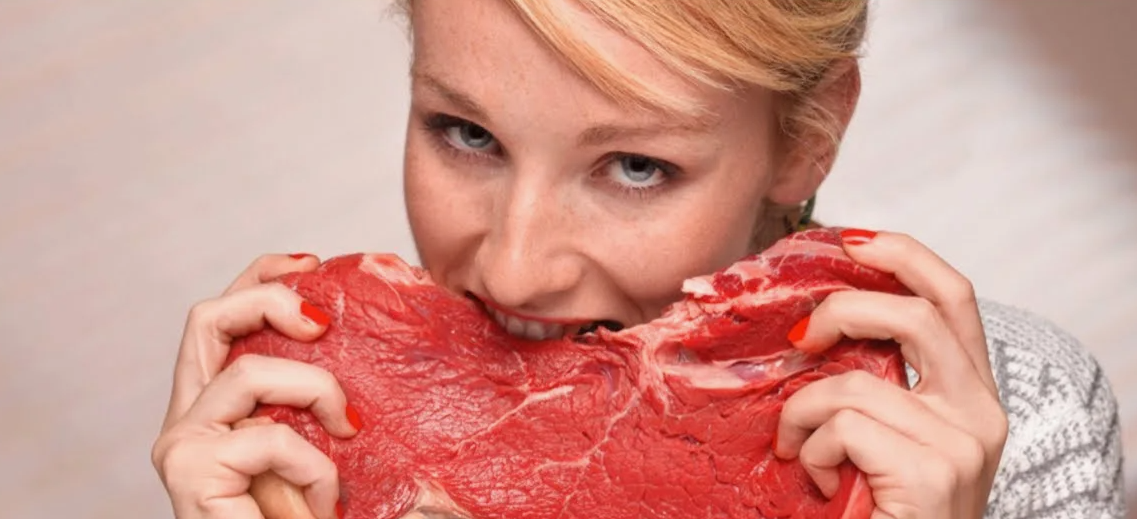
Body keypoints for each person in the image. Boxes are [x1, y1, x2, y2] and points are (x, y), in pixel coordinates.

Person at [149, 1, 1126, 518]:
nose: (515, 270)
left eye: (635, 166)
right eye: (466, 134)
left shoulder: (1019, 418)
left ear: (807, 134)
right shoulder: (305, 417)